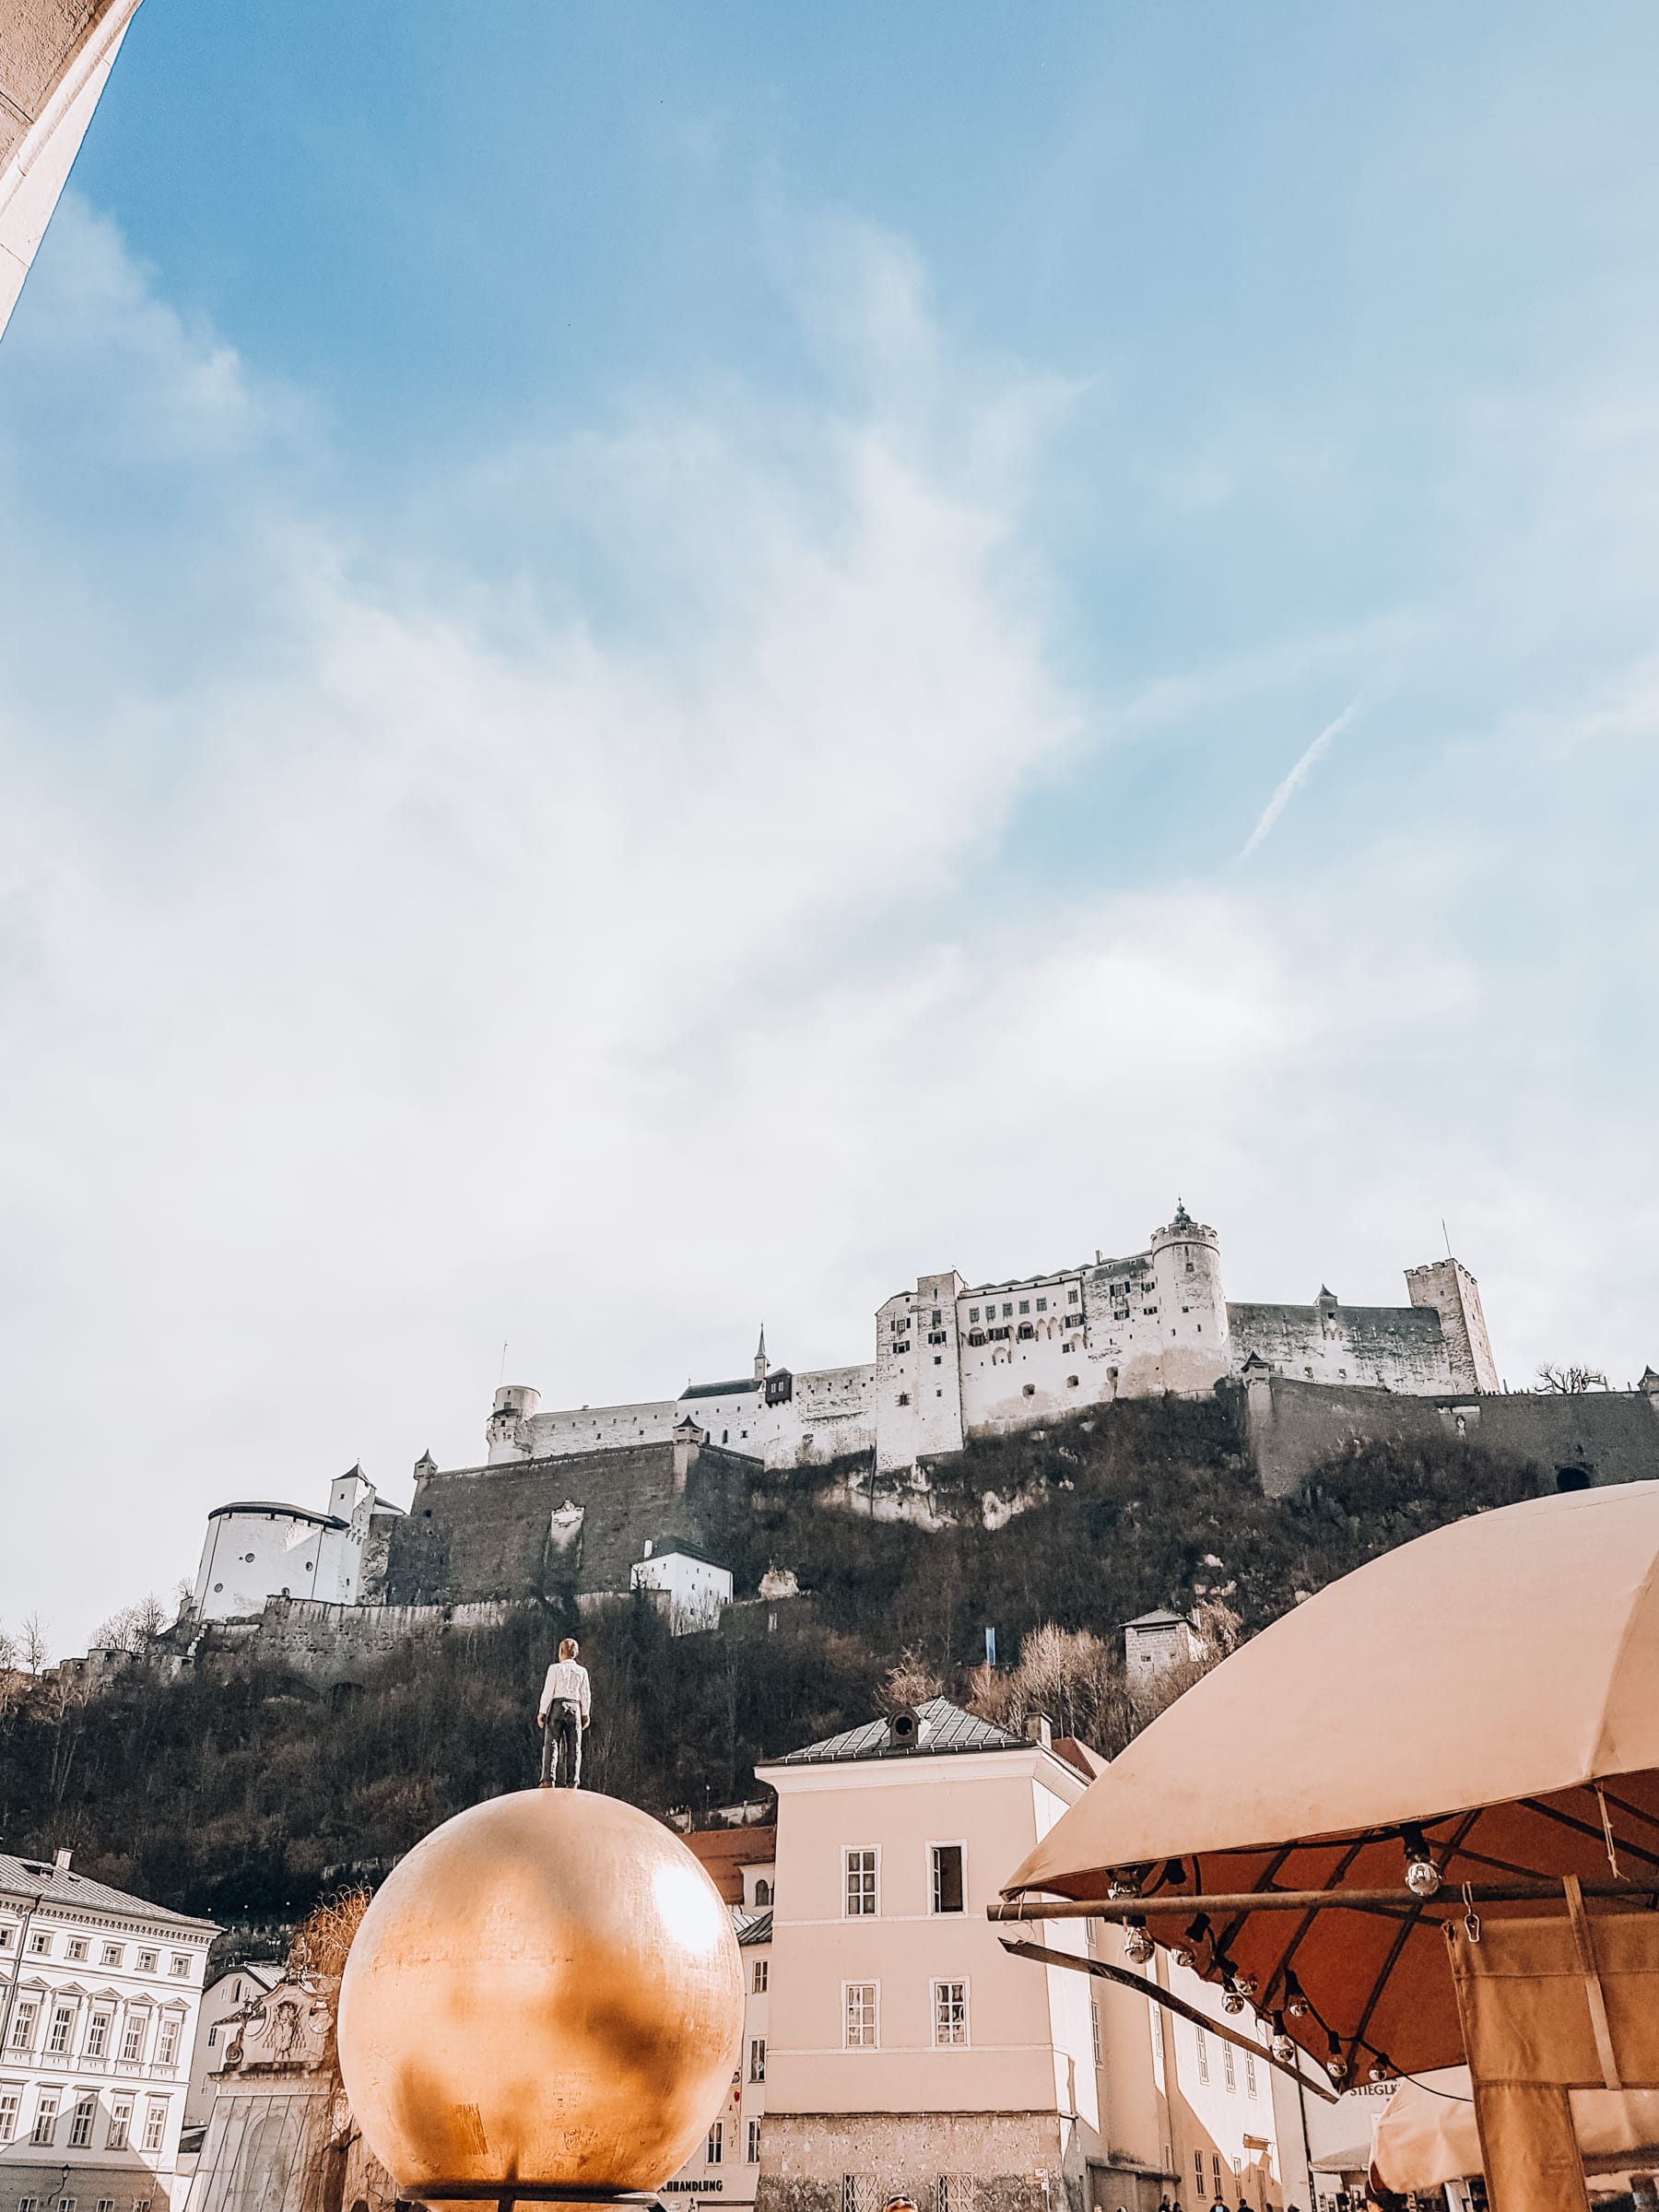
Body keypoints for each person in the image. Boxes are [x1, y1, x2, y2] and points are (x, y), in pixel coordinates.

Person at [536, 1636, 591, 1788]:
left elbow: (548, 1691)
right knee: (574, 1746)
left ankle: (548, 1779)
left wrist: (542, 1712)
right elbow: (585, 1693)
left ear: (561, 1652)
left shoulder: (554, 1668)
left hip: (558, 1705)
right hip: (575, 1707)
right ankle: (572, 1781)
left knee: (552, 1743)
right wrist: (585, 1713)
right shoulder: (582, 1671)